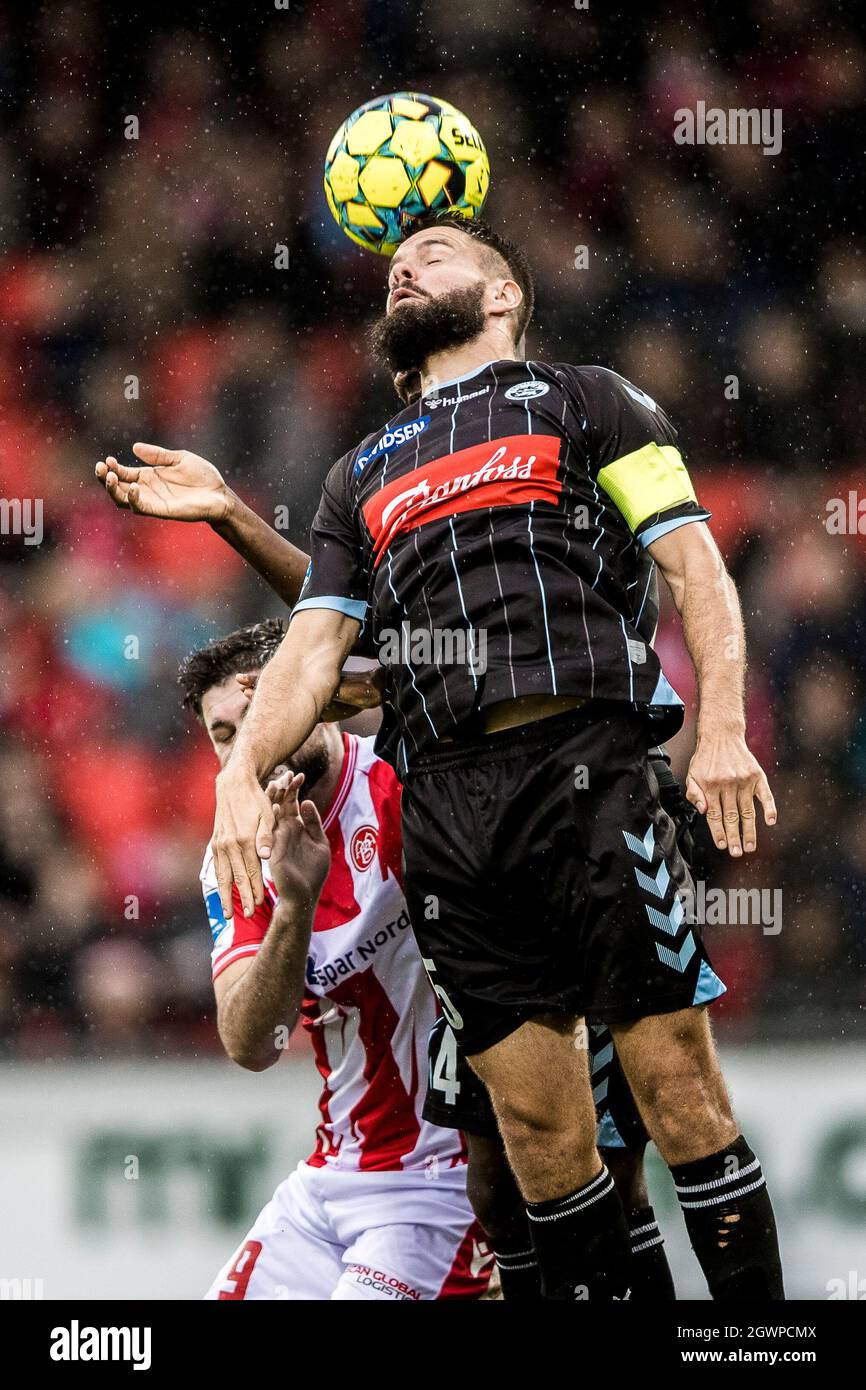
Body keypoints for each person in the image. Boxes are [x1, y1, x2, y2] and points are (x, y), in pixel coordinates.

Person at [206, 209, 784, 1300]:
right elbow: (314, 649)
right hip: (447, 810)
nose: (403, 268)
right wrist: (239, 773)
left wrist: (718, 729)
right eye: (391, 263)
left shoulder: (588, 398)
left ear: (505, 294)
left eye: (434, 253)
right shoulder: (359, 470)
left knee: (677, 1092)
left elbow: (695, 569)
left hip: (587, 769)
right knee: (533, 1138)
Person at [95, 446, 682, 1300]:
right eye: (222, 736)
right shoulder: (241, 852)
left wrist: (228, 513)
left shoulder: (408, 771)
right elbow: (248, 1045)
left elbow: (376, 633)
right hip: (332, 1175)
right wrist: (292, 905)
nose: (243, 746)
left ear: (309, 691)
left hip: (446, 1180)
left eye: (256, 711)